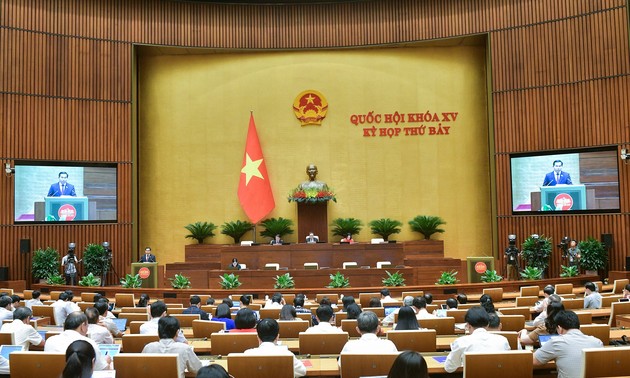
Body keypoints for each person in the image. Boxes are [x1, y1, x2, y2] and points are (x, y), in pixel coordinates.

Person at [533, 310, 603, 378]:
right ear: (579, 327)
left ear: (559, 328)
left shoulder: (556, 342)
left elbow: (534, 361)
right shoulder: (597, 342)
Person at [443, 307, 510, 373]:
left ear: (468, 325)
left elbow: (449, 368)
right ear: (488, 324)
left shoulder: (461, 342)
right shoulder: (503, 340)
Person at [44, 312, 110, 370]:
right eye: (87, 326)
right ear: (83, 326)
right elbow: (103, 369)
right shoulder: (88, 343)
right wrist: (107, 361)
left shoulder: (49, 340)